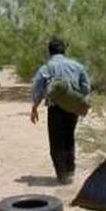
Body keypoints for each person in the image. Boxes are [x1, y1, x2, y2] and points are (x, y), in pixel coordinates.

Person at [31, 38, 91, 184]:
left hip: (55, 109)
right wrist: (78, 99)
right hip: (72, 108)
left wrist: (35, 107)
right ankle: (70, 171)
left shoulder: (46, 67)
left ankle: (62, 174)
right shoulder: (77, 66)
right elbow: (86, 87)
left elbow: (37, 88)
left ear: (49, 51)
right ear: (64, 50)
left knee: (56, 141)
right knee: (69, 138)